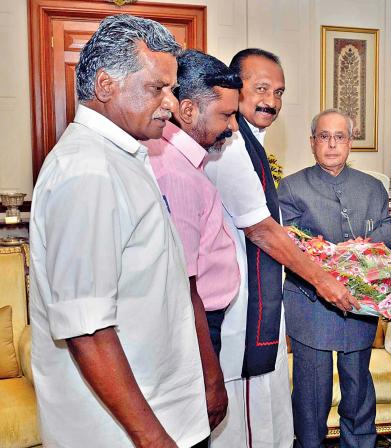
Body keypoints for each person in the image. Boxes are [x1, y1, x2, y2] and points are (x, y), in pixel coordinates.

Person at [28, 15, 208, 447]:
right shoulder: (88, 170)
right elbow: (86, 330)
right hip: (120, 432)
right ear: (106, 86)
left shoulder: (124, 154)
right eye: (156, 88)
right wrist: (153, 439)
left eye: (171, 88)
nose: (170, 102)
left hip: (160, 410)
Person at [203, 48, 357, 447]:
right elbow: (263, 231)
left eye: (279, 91)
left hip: (260, 295)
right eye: (260, 89)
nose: (271, 101)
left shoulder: (250, 141)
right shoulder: (232, 144)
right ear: (235, 88)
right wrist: (323, 280)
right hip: (241, 307)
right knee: (245, 425)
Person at [278, 108, 391, 448]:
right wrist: (339, 255)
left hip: (358, 305)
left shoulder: (371, 187)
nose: (332, 144)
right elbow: (291, 243)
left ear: (350, 143)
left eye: (339, 137)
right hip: (310, 306)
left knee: (358, 391)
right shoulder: (292, 186)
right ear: (312, 143)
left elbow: (389, 226)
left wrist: (367, 243)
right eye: (324, 137)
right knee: (310, 396)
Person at [143, 50, 243, 440]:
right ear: (187, 110)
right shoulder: (175, 171)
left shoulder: (178, 160)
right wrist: (211, 377)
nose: (233, 127)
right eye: (225, 115)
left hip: (195, 327)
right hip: (192, 332)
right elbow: (184, 287)